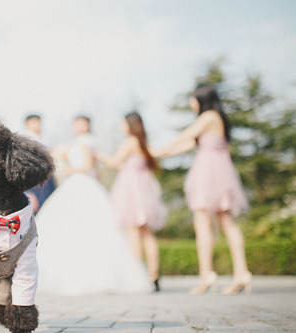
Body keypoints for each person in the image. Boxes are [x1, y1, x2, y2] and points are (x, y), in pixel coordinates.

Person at [36, 115, 150, 295]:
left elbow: (89, 166)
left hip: (83, 183)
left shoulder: (89, 143)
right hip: (75, 184)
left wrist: (70, 169)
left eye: (82, 123)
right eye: (76, 124)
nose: (78, 127)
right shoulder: (72, 144)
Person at [154, 84, 251, 295]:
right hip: (220, 171)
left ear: (201, 99)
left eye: (192, 99)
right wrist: (160, 154)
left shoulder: (208, 117)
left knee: (203, 223)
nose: (191, 103)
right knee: (226, 222)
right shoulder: (215, 120)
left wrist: (159, 150)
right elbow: (187, 144)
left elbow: (185, 136)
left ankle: (207, 274)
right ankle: (241, 273)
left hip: (208, 173)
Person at [98, 112, 166, 292]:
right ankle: (154, 274)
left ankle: (138, 275)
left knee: (133, 232)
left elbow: (113, 162)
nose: (121, 127)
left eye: (123, 123)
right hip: (145, 188)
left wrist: (98, 155)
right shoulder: (143, 143)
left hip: (131, 189)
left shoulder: (130, 142)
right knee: (147, 233)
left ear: (130, 125)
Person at [22, 114, 55, 213]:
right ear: (27, 124)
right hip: (34, 187)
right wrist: (28, 192)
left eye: (39, 123)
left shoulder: (41, 141)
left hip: (45, 185)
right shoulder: (26, 143)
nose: (38, 125)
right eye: (34, 122)